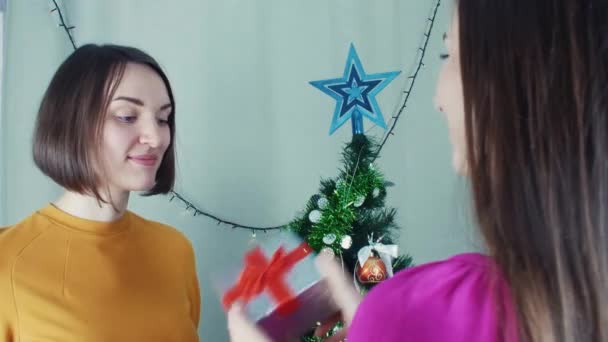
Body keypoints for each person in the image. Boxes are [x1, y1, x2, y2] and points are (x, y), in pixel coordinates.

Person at [227, 0, 608, 341]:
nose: (436, 98)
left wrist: (386, 323)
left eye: (449, 55)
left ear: (512, 84)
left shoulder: (415, 309)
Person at [0, 44, 200, 341]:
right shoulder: (7, 262)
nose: (156, 138)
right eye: (127, 117)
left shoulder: (175, 250)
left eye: (162, 118)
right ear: (73, 123)